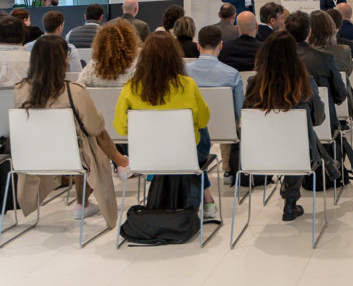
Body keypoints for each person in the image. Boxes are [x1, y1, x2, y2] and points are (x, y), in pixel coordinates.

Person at [14, 35, 129, 226]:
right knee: (93, 136)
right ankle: (121, 163)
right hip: (73, 157)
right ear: (64, 60)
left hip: (36, 156)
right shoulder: (74, 91)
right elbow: (95, 127)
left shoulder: (20, 90)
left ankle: (86, 199)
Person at [114, 32, 217, 220]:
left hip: (146, 155)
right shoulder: (187, 85)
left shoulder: (130, 87)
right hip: (185, 153)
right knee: (199, 133)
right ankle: (207, 198)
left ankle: (205, 197)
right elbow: (203, 120)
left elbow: (120, 128)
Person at [244, 31, 328, 221]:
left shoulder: (253, 84)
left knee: (293, 144)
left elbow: (247, 117)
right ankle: (290, 202)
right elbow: (318, 118)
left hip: (257, 155)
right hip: (298, 156)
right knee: (298, 143)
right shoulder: (304, 83)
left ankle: (289, 197)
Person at [287, 11, 353, 186]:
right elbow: (341, 95)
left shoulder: (280, 59)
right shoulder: (326, 57)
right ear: (308, 31)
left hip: (286, 128)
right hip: (323, 122)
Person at [186, 25, 245, 180]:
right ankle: (228, 169)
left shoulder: (184, 72)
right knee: (233, 119)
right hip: (226, 131)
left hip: (193, 130)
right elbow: (240, 110)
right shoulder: (232, 74)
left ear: (198, 45)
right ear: (220, 45)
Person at [78, 19, 139, 88]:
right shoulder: (135, 68)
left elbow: (79, 86)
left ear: (100, 45)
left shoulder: (92, 67)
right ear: (129, 43)